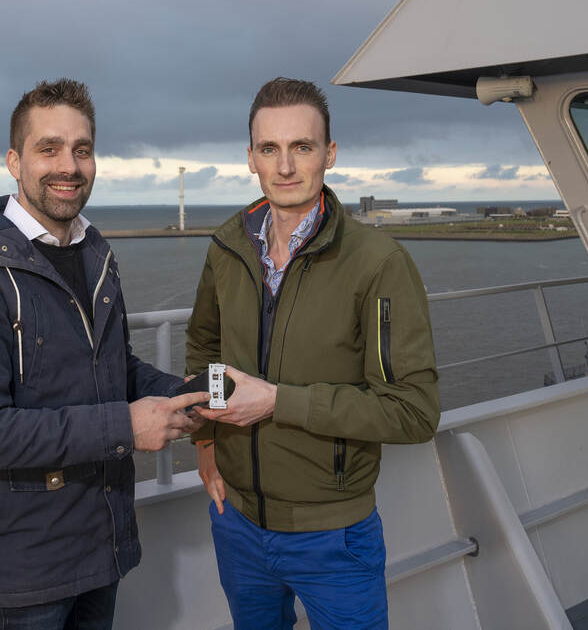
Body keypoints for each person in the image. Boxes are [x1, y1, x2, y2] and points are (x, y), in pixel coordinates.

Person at [0, 79, 206, 630]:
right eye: (48, 148)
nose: (68, 166)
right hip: (25, 573)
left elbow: (115, 369)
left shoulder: (93, 251)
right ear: (15, 161)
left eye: (82, 149)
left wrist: (185, 394)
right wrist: (126, 425)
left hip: (100, 549)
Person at [185, 77, 440, 630]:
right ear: (250, 158)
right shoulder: (227, 247)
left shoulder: (379, 262)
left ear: (330, 153)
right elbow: (204, 347)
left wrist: (278, 401)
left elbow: (414, 411)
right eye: (269, 148)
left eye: (302, 147)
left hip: (333, 535)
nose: (285, 167)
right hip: (236, 521)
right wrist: (205, 441)